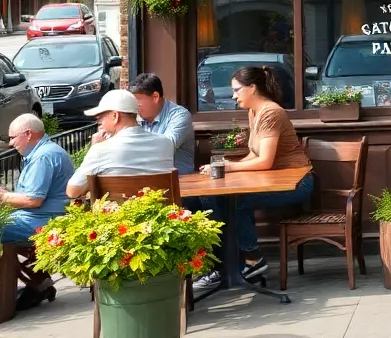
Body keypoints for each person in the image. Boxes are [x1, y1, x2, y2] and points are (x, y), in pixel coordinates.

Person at [193, 66, 313, 297]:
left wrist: (229, 167)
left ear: (252, 87)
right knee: (209, 197)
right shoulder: (254, 112)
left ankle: (252, 258)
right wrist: (226, 166)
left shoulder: (271, 112)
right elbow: (254, 154)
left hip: (298, 183)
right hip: (274, 181)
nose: (233, 95)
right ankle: (227, 264)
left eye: (237, 90)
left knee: (236, 201)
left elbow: (265, 161)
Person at [0, 114, 73, 307]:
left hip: (43, 221)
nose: (10, 143)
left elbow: (33, 200)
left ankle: (32, 285)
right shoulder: (45, 152)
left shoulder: (42, 157)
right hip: (44, 217)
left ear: (28, 134)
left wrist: (2, 197)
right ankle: (38, 283)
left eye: (13, 137)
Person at [66, 90, 176, 200]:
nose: (99, 121)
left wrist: (94, 147)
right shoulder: (166, 143)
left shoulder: (100, 150)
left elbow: (72, 191)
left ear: (115, 116)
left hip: (116, 216)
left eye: (101, 117)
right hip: (161, 214)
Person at [130, 72, 196, 177]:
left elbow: (165, 148)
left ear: (155, 97)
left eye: (137, 102)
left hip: (179, 184)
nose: (134, 107)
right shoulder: (134, 117)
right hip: (145, 184)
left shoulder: (179, 116)